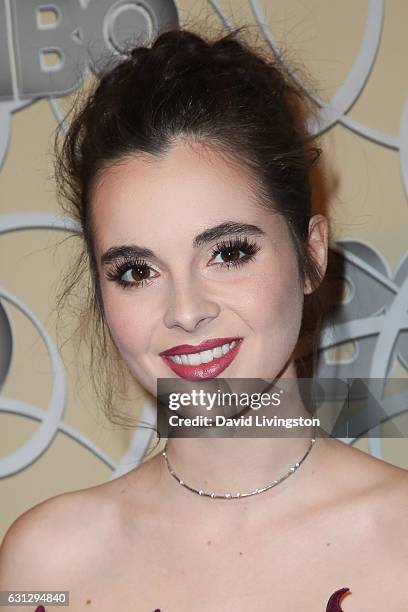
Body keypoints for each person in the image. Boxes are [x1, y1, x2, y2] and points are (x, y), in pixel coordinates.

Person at [0, 25, 407, 612]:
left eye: (229, 252)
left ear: (311, 255)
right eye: (137, 271)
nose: (186, 311)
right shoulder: (45, 566)